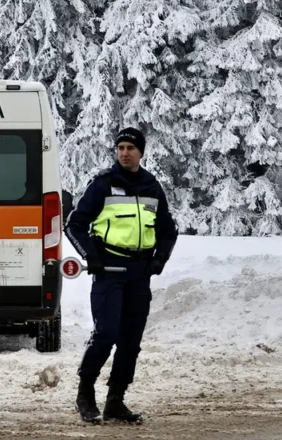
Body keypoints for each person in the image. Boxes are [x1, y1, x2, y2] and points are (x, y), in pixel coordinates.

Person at [65, 127, 178, 424]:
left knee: (131, 340)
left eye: (130, 148)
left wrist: (159, 260)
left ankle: (116, 400)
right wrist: (91, 256)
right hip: (109, 271)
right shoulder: (103, 184)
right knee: (106, 333)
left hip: (139, 273)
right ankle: (85, 393)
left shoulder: (152, 187)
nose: (125, 153)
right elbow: (74, 224)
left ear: (141, 152)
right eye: (121, 148)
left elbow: (168, 230)